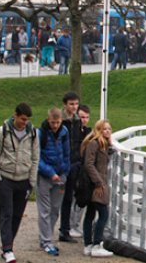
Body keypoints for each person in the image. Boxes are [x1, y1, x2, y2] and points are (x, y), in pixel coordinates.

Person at [0, 102, 40, 263]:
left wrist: (32, 181)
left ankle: (8, 245)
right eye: (22, 119)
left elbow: (35, 157)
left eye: (27, 120)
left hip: (24, 180)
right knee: (7, 214)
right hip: (6, 179)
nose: (25, 122)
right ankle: (7, 249)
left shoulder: (33, 133)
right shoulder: (2, 131)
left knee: (17, 215)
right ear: (15, 115)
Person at [36, 107, 70, 256]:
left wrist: (64, 172)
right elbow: (36, 158)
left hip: (60, 175)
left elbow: (67, 153)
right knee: (44, 209)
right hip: (44, 176)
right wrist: (50, 172)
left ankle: (46, 236)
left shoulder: (64, 133)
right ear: (48, 120)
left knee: (55, 209)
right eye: (52, 122)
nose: (55, 125)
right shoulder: (40, 134)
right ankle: (46, 241)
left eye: (57, 122)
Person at [81, 119, 114, 258]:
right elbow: (89, 164)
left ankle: (88, 244)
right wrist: (99, 183)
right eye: (104, 129)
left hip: (97, 182)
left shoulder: (104, 145)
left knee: (90, 213)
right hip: (96, 184)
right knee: (103, 214)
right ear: (98, 130)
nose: (107, 131)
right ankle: (96, 244)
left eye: (109, 129)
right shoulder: (95, 143)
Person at [59, 94, 88, 243]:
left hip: (74, 163)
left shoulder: (77, 121)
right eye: (71, 104)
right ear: (65, 105)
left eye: (76, 104)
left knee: (70, 197)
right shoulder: (61, 121)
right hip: (62, 164)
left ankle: (65, 230)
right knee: (59, 199)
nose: (74, 107)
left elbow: (77, 142)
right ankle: (59, 229)